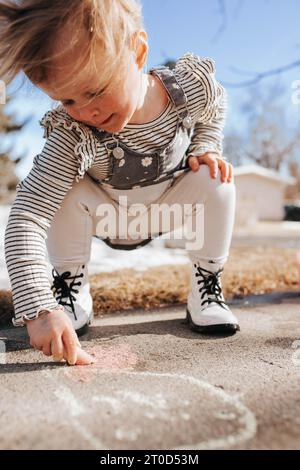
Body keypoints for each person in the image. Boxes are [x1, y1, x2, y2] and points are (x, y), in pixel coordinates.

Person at [1, 0, 238, 366]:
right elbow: (27, 216)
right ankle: (69, 289)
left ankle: (206, 288)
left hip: (165, 207)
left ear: (138, 51)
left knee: (216, 175)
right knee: (61, 185)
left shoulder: (185, 90)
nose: (85, 112)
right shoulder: (73, 132)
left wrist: (207, 145)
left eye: (95, 90)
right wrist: (38, 308)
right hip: (105, 214)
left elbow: (217, 102)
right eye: (67, 98)